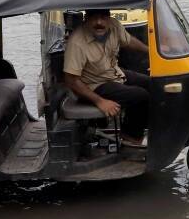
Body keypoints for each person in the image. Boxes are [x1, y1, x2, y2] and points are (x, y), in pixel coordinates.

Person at [62, 9, 150, 147]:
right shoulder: (77, 43)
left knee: (153, 83)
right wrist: (100, 101)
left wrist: (150, 51)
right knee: (141, 95)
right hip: (93, 85)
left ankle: (146, 126)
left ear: (109, 18)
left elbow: (128, 40)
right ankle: (130, 135)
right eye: (94, 18)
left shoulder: (114, 25)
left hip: (114, 73)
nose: (99, 23)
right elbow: (71, 81)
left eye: (103, 18)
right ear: (86, 19)